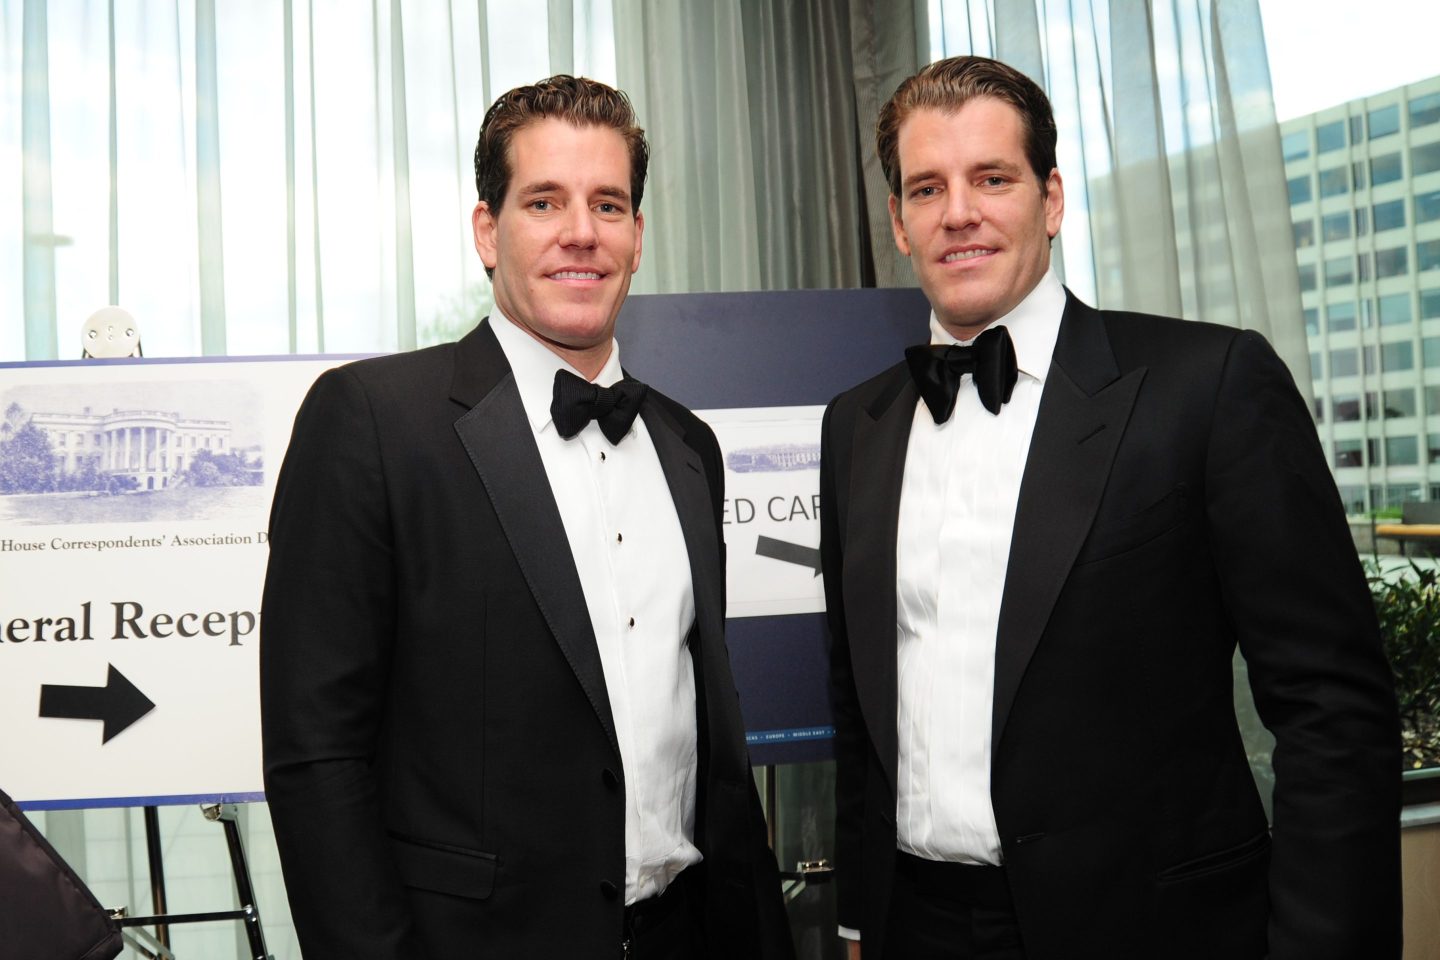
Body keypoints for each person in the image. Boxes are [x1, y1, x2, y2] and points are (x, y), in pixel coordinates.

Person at [820, 55, 1400, 960]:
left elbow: (1333, 707)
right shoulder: (855, 424)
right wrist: (859, 916)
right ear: (898, 221)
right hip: (917, 928)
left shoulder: (1208, 386)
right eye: (927, 187)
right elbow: (861, 707)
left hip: (1155, 929)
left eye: (992, 179)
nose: (959, 212)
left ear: (1051, 200)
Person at [261, 74, 793, 959]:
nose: (581, 233)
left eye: (609, 205)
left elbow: (712, 747)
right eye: (544, 201)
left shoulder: (688, 446)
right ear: (487, 230)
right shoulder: (372, 421)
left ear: (637, 235)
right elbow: (316, 758)